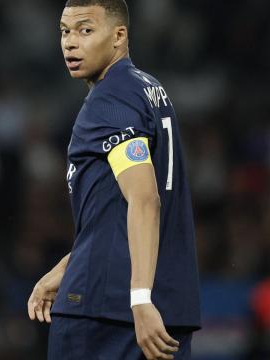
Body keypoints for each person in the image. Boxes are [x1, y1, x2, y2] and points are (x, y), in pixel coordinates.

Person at [27, 0, 201, 358]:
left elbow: (144, 199)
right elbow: (115, 213)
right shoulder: (150, 90)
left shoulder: (109, 100)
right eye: (65, 31)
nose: (70, 43)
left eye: (86, 30)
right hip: (165, 309)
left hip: (107, 312)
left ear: (119, 35)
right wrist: (67, 266)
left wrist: (139, 298)